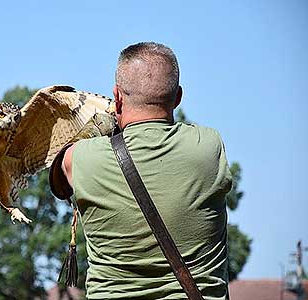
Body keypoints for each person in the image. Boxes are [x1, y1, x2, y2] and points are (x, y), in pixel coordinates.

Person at [50, 42, 233, 300]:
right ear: (178, 97)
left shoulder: (81, 158)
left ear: (117, 97)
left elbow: (58, 174)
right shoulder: (208, 146)